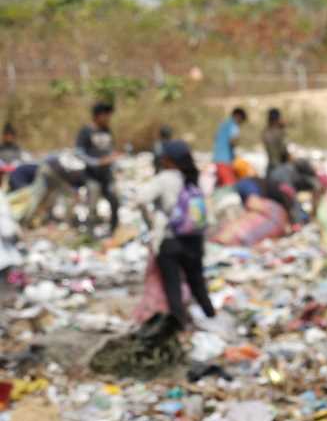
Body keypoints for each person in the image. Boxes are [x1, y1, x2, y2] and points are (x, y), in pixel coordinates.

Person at [136, 140, 215, 327]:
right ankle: (212, 317)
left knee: (173, 287)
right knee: (198, 283)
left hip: (170, 240)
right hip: (194, 240)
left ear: (169, 160)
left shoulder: (165, 178)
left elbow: (140, 199)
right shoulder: (195, 177)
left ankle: (181, 327)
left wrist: (151, 223)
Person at [73, 101, 121, 233]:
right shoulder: (86, 131)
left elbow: (109, 149)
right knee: (92, 202)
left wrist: (114, 159)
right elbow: (79, 153)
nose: (108, 119)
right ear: (97, 116)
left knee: (114, 200)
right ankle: (90, 232)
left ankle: (114, 229)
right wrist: (97, 162)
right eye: (106, 115)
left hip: (106, 175)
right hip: (92, 175)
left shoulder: (107, 130)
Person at [212, 106, 247, 186]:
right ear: (238, 116)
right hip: (225, 161)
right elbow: (233, 141)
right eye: (241, 121)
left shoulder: (223, 124)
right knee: (230, 186)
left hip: (216, 160)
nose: (240, 123)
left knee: (221, 186)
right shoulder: (233, 125)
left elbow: (216, 138)